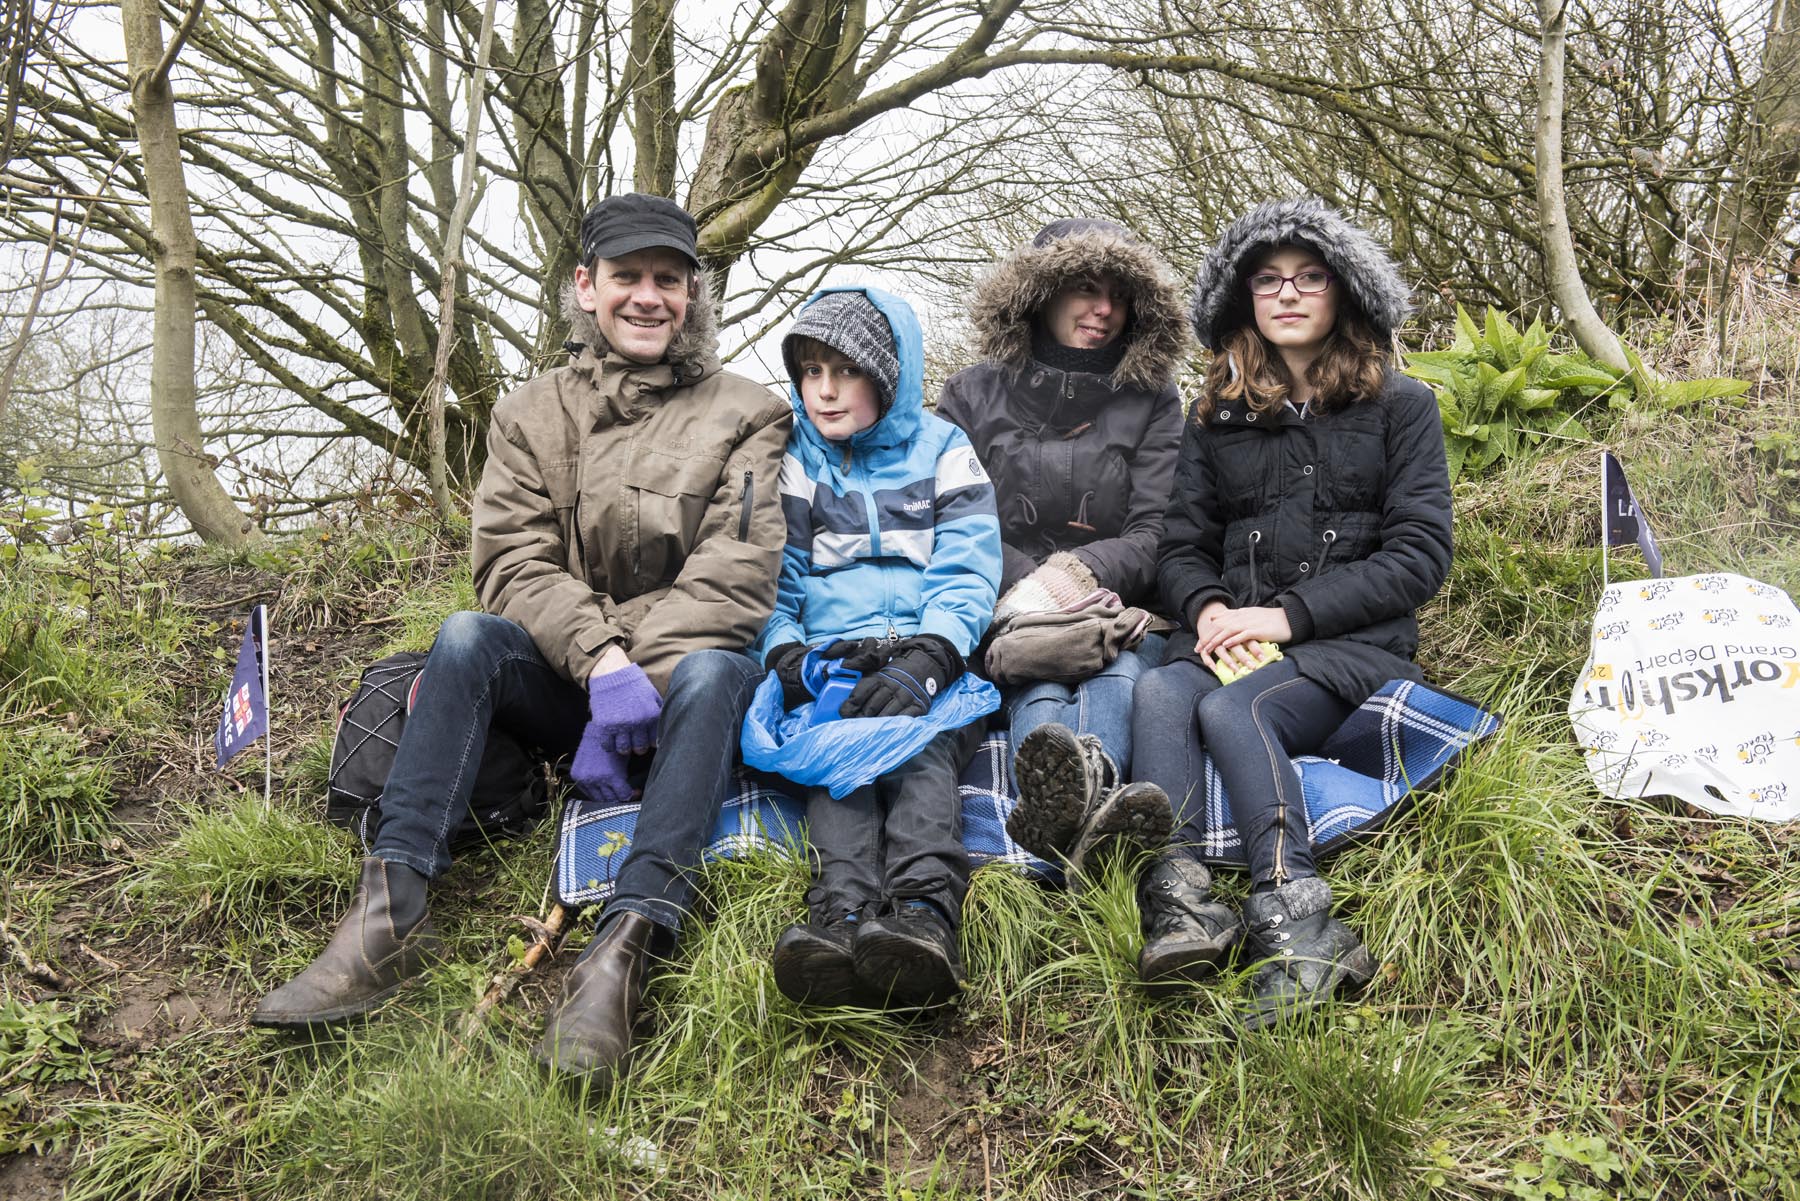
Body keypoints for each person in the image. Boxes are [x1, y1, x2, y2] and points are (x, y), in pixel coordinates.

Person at [252, 194, 792, 1091]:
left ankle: (623, 952)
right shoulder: (526, 414)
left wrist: (638, 678)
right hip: (574, 680)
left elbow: (733, 579)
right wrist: (601, 664)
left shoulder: (750, 413)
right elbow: (510, 563)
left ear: (694, 293)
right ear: (586, 286)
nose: (648, 296)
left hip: (682, 689)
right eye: (627, 276)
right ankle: (388, 915)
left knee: (716, 669)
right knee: (468, 636)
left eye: (669, 279)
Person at [1129, 196, 1451, 1030]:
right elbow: (1180, 547)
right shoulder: (1216, 417)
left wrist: (1285, 618)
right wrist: (1205, 608)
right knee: (1161, 690)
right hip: (1229, 637)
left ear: (1345, 292)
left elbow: (1420, 556)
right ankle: (1182, 902)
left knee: (1232, 708)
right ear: (1245, 300)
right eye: (1268, 280)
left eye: (1310, 277)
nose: (1288, 293)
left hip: (1349, 648)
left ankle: (1301, 923)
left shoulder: (1404, 407)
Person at [756, 286, 1001, 1008]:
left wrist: (932, 657)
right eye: (811, 372)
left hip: (930, 656)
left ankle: (924, 915)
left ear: (887, 377)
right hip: (834, 658)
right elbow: (773, 579)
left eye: (846, 372)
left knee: (920, 751)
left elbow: (968, 566)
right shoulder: (795, 461)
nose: (825, 391)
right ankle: (840, 915)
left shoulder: (944, 448)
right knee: (838, 756)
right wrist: (787, 656)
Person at [935, 219, 1189, 876]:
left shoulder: (1155, 400)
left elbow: (1157, 528)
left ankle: (1086, 791)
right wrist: (1031, 589)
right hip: (1005, 604)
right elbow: (953, 517)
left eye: (1119, 295)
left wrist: (1077, 575)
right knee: (1038, 669)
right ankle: (1080, 809)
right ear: (1039, 293)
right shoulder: (970, 394)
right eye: (1085, 289)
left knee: (1118, 666)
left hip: (1120, 598)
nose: (1104, 309)